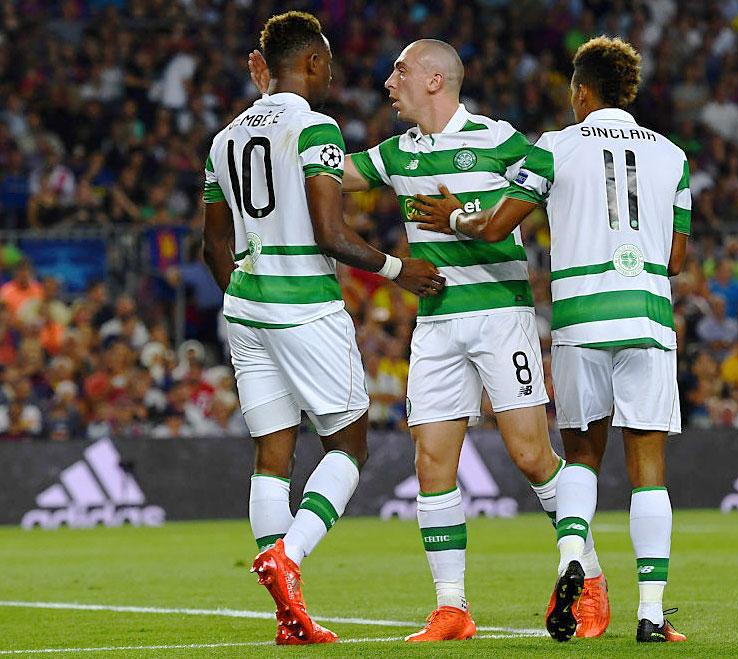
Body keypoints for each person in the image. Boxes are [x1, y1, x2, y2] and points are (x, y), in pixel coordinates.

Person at [250, 39, 610, 642]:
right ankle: (452, 607)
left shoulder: (499, 140)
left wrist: (469, 211)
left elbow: (549, 184)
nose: (388, 81)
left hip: (501, 316)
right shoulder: (397, 154)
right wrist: (274, 110)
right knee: (432, 462)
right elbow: (322, 168)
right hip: (437, 323)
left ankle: (589, 575)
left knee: (530, 454)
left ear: (436, 81)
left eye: (400, 71)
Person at [412, 36, 688, 643]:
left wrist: (455, 216)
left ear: (581, 92)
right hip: (646, 315)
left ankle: (571, 561)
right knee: (648, 471)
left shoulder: (554, 149)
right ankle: (650, 614)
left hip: (581, 320)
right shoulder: (673, 155)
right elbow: (676, 256)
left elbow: (495, 227)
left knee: (583, 456)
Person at [202, 11, 443, 646]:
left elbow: (211, 246)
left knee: (272, 454)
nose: (333, 74)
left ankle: (287, 612)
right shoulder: (316, 128)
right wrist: (398, 268)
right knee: (349, 444)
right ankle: (290, 557)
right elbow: (329, 235)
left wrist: (248, 296)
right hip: (304, 306)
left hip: (246, 309)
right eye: (328, 63)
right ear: (309, 63)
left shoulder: (225, 138)